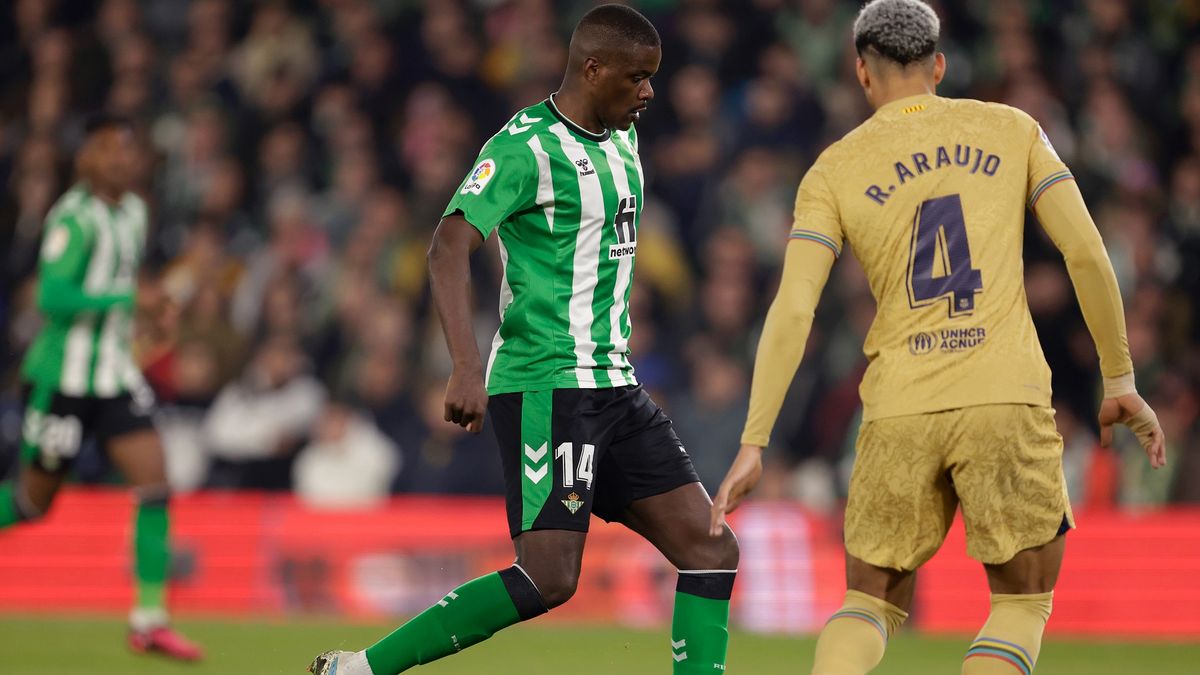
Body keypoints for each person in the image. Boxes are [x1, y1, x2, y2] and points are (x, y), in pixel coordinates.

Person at [708, 1, 1166, 674]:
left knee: (867, 604)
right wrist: (1119, 377)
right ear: (940, 66)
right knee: (1020, 602)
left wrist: (755, 440)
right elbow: (1088, 255)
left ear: (862, 74)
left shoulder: (834, 169)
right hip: (1004, 395)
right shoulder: (1011, 129)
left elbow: (793, 308)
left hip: (898, 407)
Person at [308, 5, 739, 675]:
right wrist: (464, 366)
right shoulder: (523, 146)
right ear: (593, 69)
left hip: (616, 387)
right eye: (638, 77)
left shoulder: (623, 138)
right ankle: (360, 669)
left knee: (711, 548)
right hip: (548, 383)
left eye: (653, 77)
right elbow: (448, 246)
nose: (650, 92)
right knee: (549, 576)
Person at [0, 113, 204, 661]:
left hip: (114, 373)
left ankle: (149, 619)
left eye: (126, 151)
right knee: (30, 503)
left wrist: (152, 310)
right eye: (109, 151)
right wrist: (127, 301)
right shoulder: (73, 216)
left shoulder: (135, 212)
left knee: (156, 483)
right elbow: (51, 297)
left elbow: (120, 283)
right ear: (87, 158)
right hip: (62, 377)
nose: (120, 159)